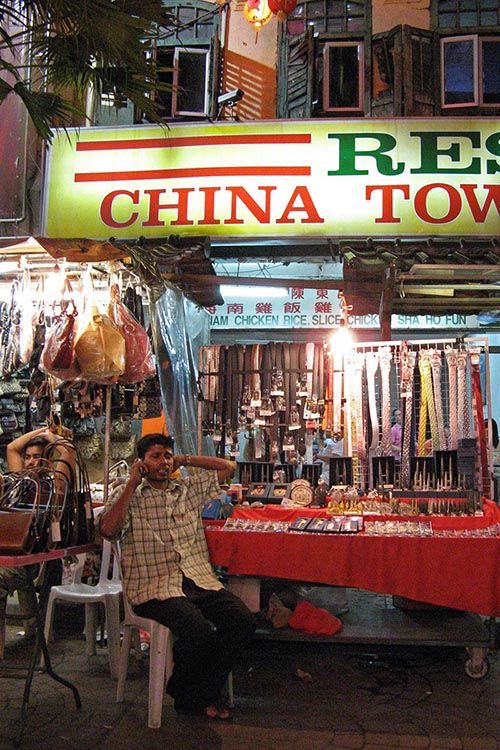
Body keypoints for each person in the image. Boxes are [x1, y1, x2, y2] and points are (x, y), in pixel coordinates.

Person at [99, 433, 256, 720]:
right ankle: (198, 696)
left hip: (197, 579)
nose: (162, 462)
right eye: (155, 456)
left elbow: (227, 467)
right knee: (198, 631)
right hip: (154, 586)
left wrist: (183, 459)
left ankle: (192, 694)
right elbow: (108, 530)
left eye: (166, 455)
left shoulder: (186, 488)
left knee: (242, 621)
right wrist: (132, 483)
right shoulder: (129, 494)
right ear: (141, 462)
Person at [0, 424, 75, 633]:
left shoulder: (55, 484)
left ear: (50, 461)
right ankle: (31, 624)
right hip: (14, 552)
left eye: (38, 457)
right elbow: (12, 449)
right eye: (29, 457)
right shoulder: (22, 482)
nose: (32, 462)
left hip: (36, 559)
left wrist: (52, 437)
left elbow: (68, 453)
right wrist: (41, 430)